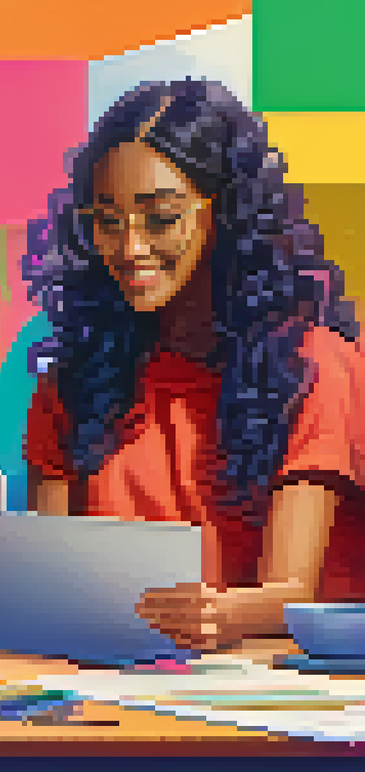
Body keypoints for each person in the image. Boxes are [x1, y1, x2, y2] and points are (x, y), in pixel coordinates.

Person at [22, 79, 365, 650]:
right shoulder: (71, 382)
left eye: (160, 218)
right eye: (107, 220)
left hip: (279, 693)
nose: (129, 248)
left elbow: (290, 592)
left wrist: (213, 614)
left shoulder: (312, 364)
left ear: (226, 215)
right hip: (123, 685)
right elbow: (45, 581)